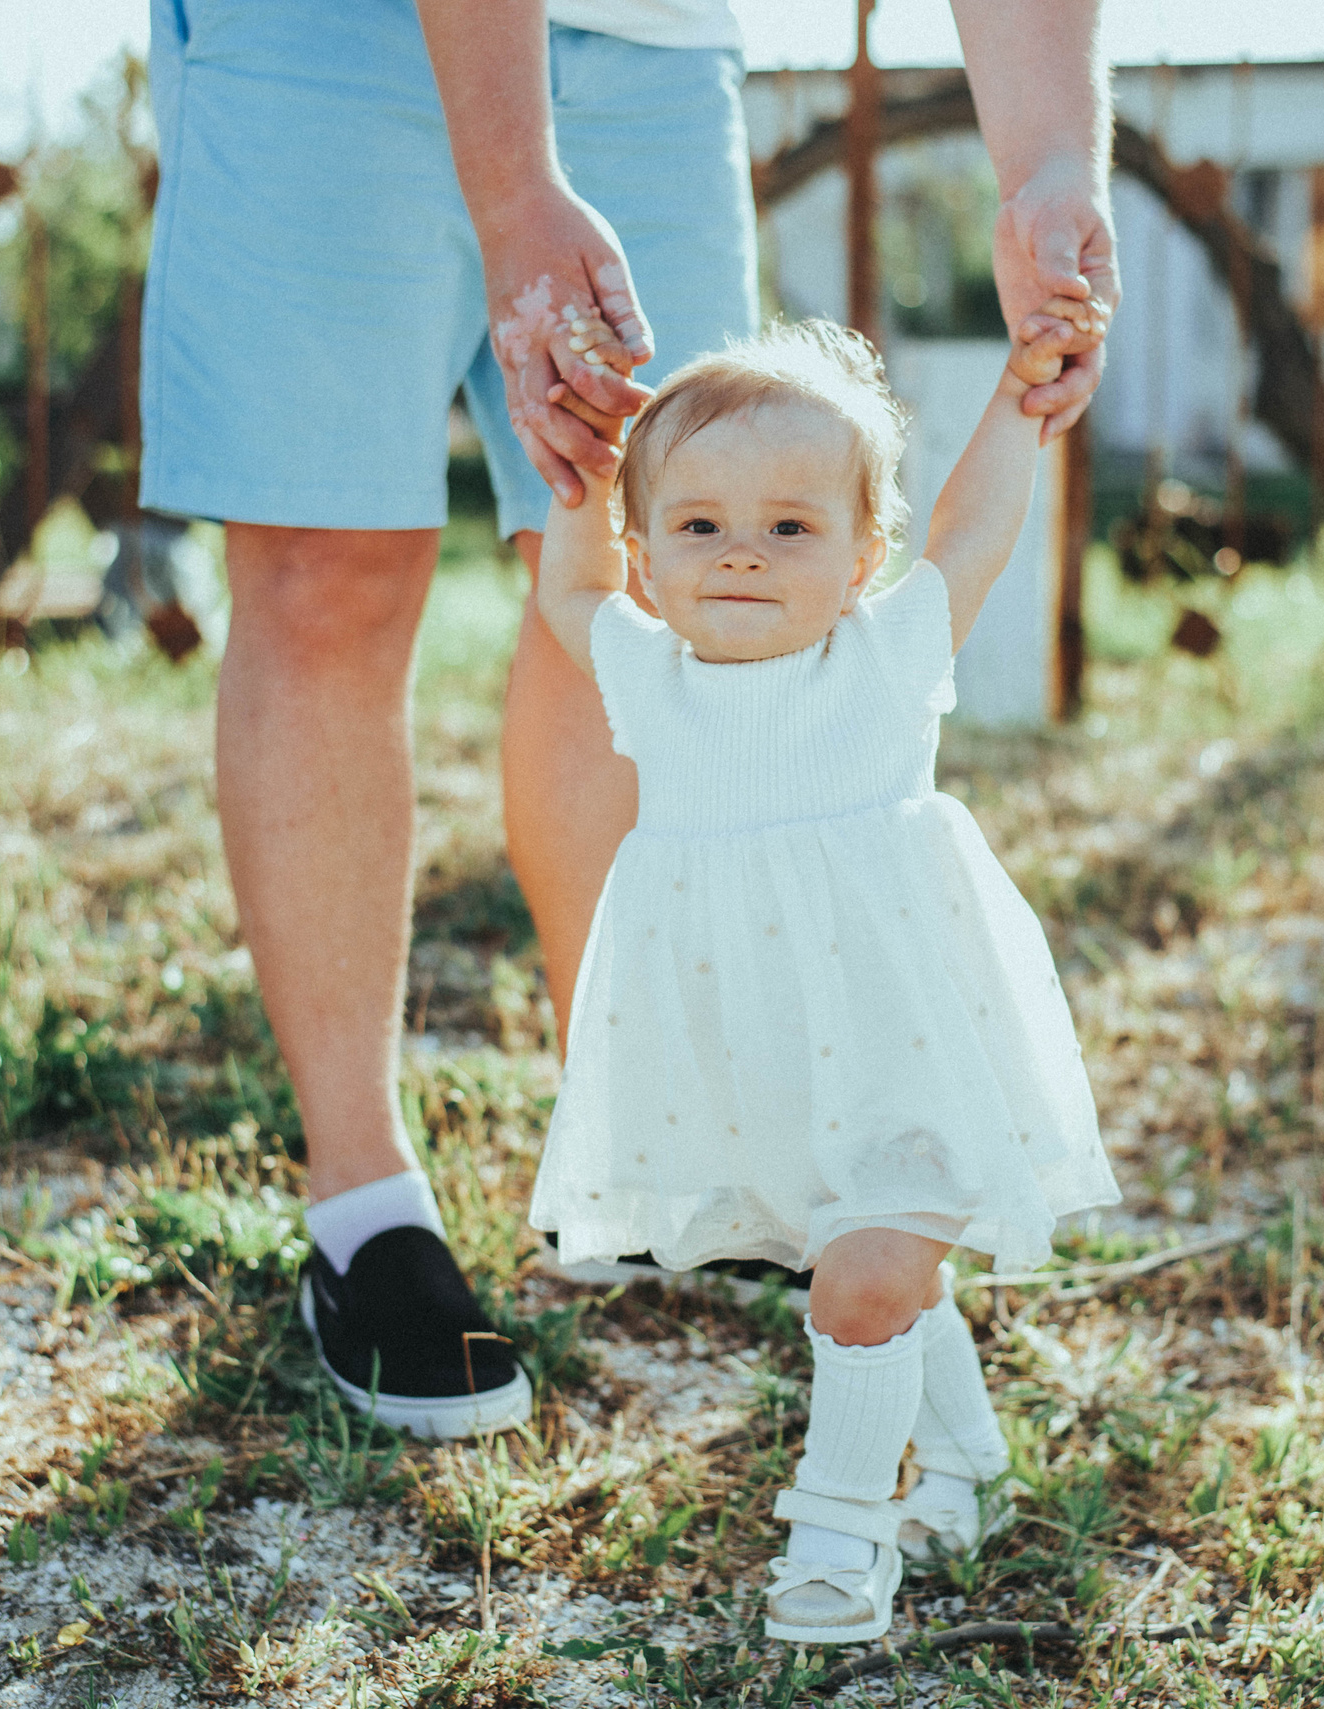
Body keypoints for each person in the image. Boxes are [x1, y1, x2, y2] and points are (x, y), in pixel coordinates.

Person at [139, 0, 1119, 1442]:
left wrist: (1049, 163)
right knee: (329, 562)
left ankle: (649, 1148)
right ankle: (364, 1206)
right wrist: (513, 183)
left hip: (651, 52)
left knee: (686, 555)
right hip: (327, 36)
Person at [526, 306, 1122, 1644]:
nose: (742, 546)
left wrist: (1023, 401)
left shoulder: (884, 662)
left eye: (791, 526)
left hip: (907, 1046)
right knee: (881, 1274)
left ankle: (841, 1532)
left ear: (860, 558)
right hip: (769, 1071)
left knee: (858, 1281)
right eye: (700, 525)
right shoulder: (649, 674)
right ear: (649, 558)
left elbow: (970, 534)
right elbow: (568, 590)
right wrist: (578, 463)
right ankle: (969, 1461)